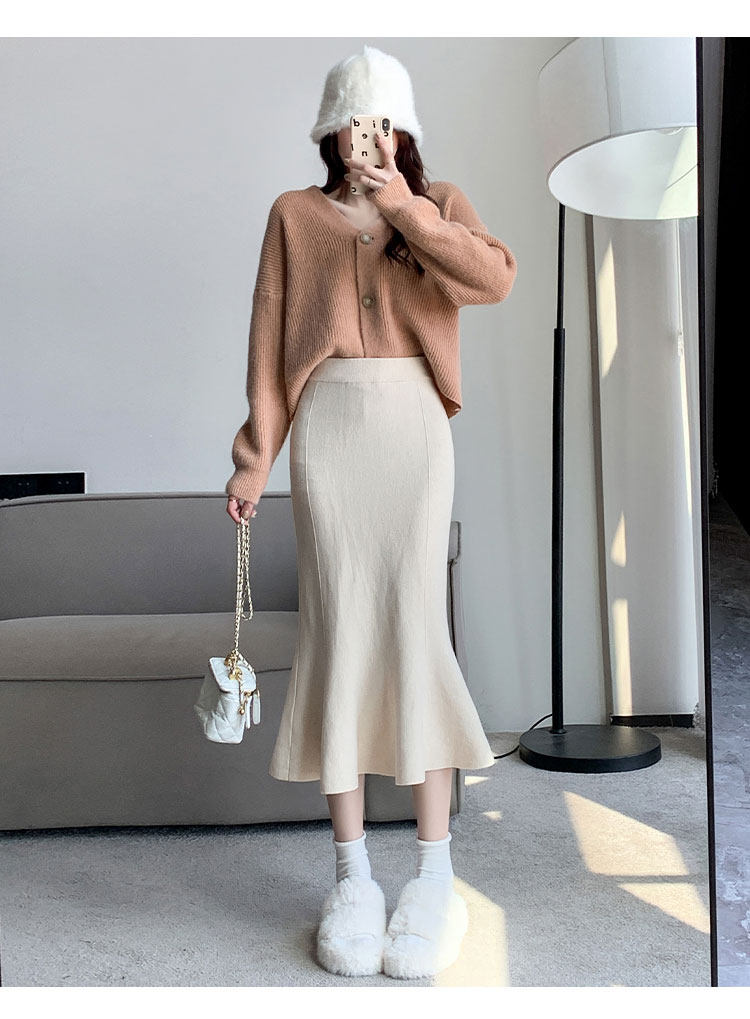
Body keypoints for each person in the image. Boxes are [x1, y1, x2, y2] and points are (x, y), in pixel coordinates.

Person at [224, 44, 517, 980]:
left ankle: (434, 876)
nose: (371, 139)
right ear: (331, 130)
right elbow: (269, 344)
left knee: (414, 634)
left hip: (414, 435)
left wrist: (402, 207)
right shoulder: (294, 215)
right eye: (357, 123)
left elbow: (493, 279)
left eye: (386, 123)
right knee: (341, 636)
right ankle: (352, 877)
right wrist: (254, 460)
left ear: (404, 129)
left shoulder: (437, 205)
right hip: (329, 437)